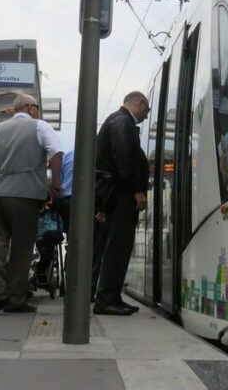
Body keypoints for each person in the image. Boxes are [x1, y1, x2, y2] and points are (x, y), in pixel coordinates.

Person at [0, 93, 63, 315]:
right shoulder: (40, 127)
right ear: (29, 108)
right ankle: (15, 298)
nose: (38, 111)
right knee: (22, 248)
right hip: (25, 195)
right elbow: (56, 153)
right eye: (36, 107)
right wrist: (55, 184)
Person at [93, 91, 150, 316]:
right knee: (119, 245)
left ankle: (111, 297)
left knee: (118, 245)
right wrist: (137, 190)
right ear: (139, 103)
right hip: (121, 193)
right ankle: (107, 299)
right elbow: (124, 158)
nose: (146, 115)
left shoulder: (118, 121)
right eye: (147, 109)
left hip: (114, 192)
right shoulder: (122, 122)